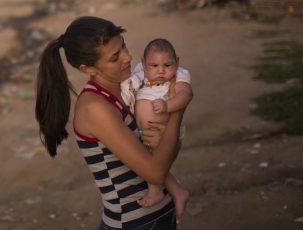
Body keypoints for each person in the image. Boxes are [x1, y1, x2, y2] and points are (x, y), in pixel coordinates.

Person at [35, 16, 185, 229]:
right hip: (135, 223)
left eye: (123, 46)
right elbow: (156, 172)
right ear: (88, 69)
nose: (128, 57)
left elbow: (167, 153)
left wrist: (168, 134)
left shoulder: (130, 88)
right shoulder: (95, 107)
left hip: (156, 217)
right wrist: (177, 110)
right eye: (115, 58)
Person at [121, 39, 193, 219]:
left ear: (177, 61)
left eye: (168, 65)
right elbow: (128, 86)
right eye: (154, 65)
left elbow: (186, 95)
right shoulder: (141, 74)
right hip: (146, 133)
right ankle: (177, 191)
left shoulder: (180, 75)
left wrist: (168, 105)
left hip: (164, 130)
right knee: (147, 158)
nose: (161, 70)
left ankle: (155, 191)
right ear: (144, 64)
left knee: (152, 161)